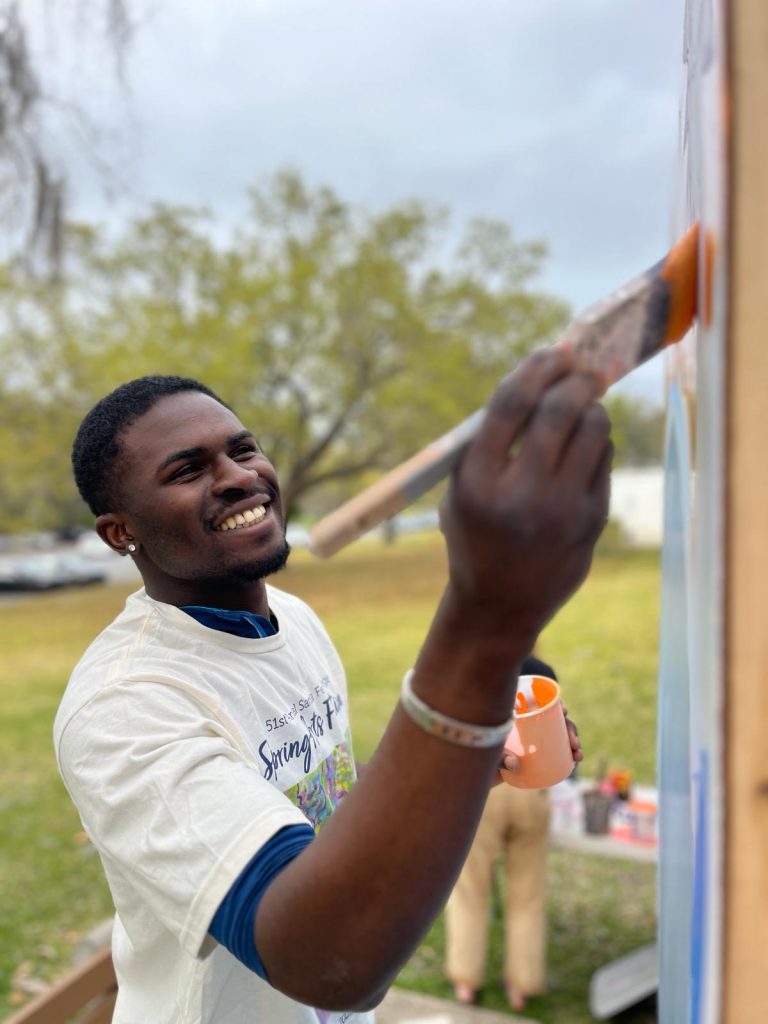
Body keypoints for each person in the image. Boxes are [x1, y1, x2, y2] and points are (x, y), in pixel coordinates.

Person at [54, 347, 611, 1024]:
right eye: (187, 470)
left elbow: (321, 810)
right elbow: (325, 959)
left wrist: (461, 766)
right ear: (121, 534)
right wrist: (486, 614)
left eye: (243, 449)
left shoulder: (295, 621)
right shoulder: (123, 705)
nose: (239, 477)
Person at [444, 654, 564, 1014]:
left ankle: (466, 979)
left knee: (469, 890)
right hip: (534, 789)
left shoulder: (477, 672)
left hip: (488, 788)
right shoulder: (543, 675)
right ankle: (521, 985)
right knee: (527, 893)